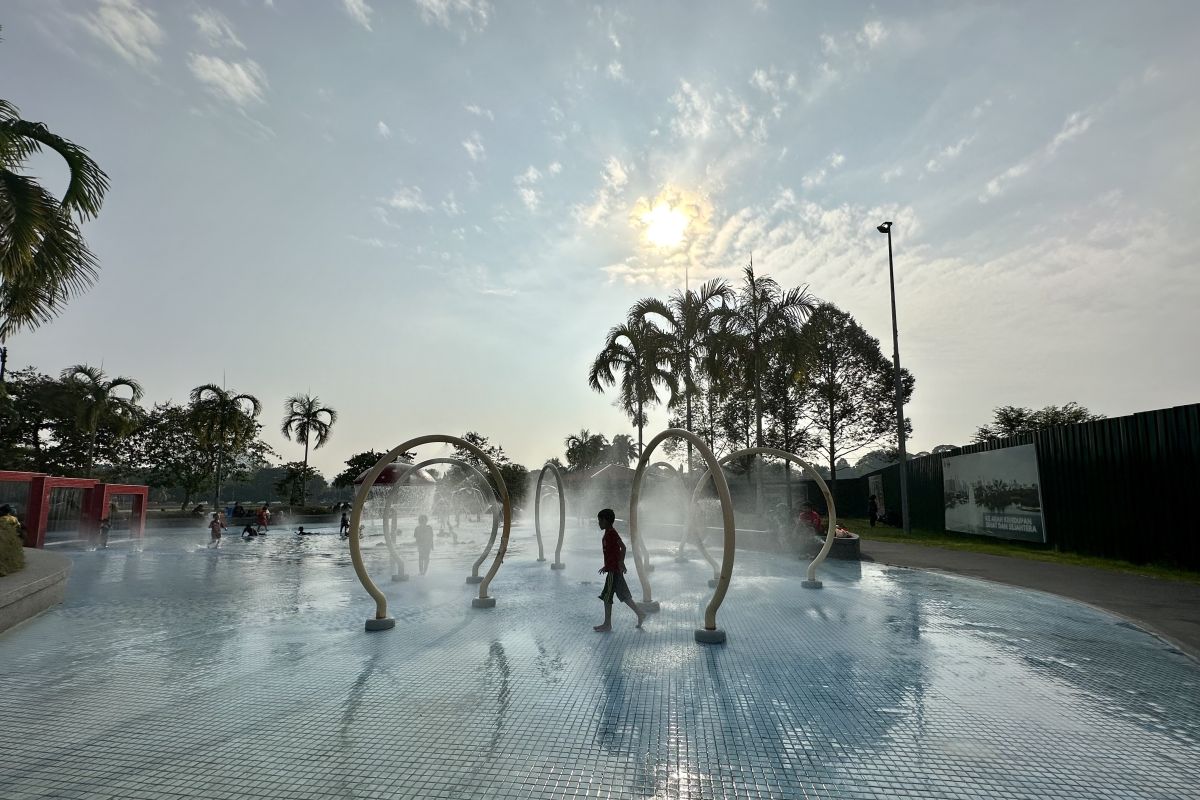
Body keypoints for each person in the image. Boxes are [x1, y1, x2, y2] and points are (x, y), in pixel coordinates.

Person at [593, 508, 645, 632]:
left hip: (613, 571)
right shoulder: (609, 532)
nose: (598, 523)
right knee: (624, 595)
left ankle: (607, 624)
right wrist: (607, 565)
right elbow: (613, 552)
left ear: (605, 520)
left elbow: (623, 547)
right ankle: (640, 614)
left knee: (607, 596)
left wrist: (621, 563)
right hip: (613, 569)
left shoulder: (611, 533)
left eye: (600, 521)